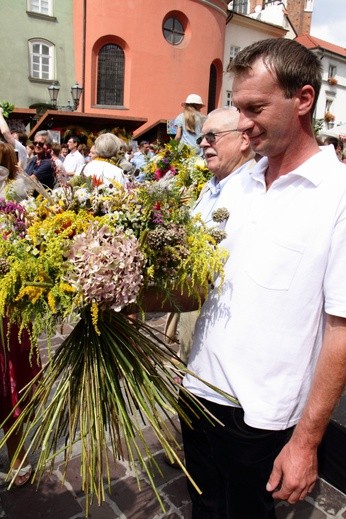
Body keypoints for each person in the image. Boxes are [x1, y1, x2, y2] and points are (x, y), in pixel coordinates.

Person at [180, 37, 346, 519]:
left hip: (261, 415)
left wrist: (306, 443)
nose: (243, 123)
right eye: (237, 107)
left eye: (255, 108)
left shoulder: (336, 196)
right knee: (205, 508)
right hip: (197, 389)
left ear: (304, 100)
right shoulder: (238, 183)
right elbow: (198, 283)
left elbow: (341, 331)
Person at [165, 106, 256, 366]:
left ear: (244, 140)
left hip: (220, 325)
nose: (203, 143)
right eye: (202, 137)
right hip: (193, 313)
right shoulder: (212, 185)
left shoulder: (253, 191)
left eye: (212, 136)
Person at [0, 143, 41, 486]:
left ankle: (18, 456)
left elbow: (29, 245)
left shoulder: (15, 195)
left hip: (6, 305)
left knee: (7, 381)